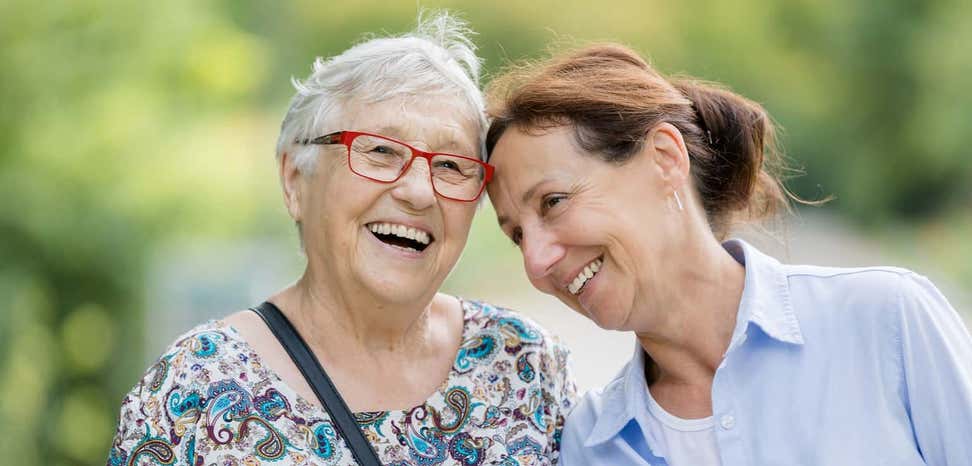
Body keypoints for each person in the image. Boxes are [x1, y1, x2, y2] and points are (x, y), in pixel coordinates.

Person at [106, 13, 576, 466]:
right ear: (295, 180)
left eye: (450, 166)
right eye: (380, 151)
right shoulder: (196, 390)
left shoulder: (523, 363)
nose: (417, 191)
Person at [484, 43, 972, 465]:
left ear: (665, 159)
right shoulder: (591, 445)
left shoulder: (885, 321)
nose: (536, 262)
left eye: (553, 202)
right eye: (517, 236)